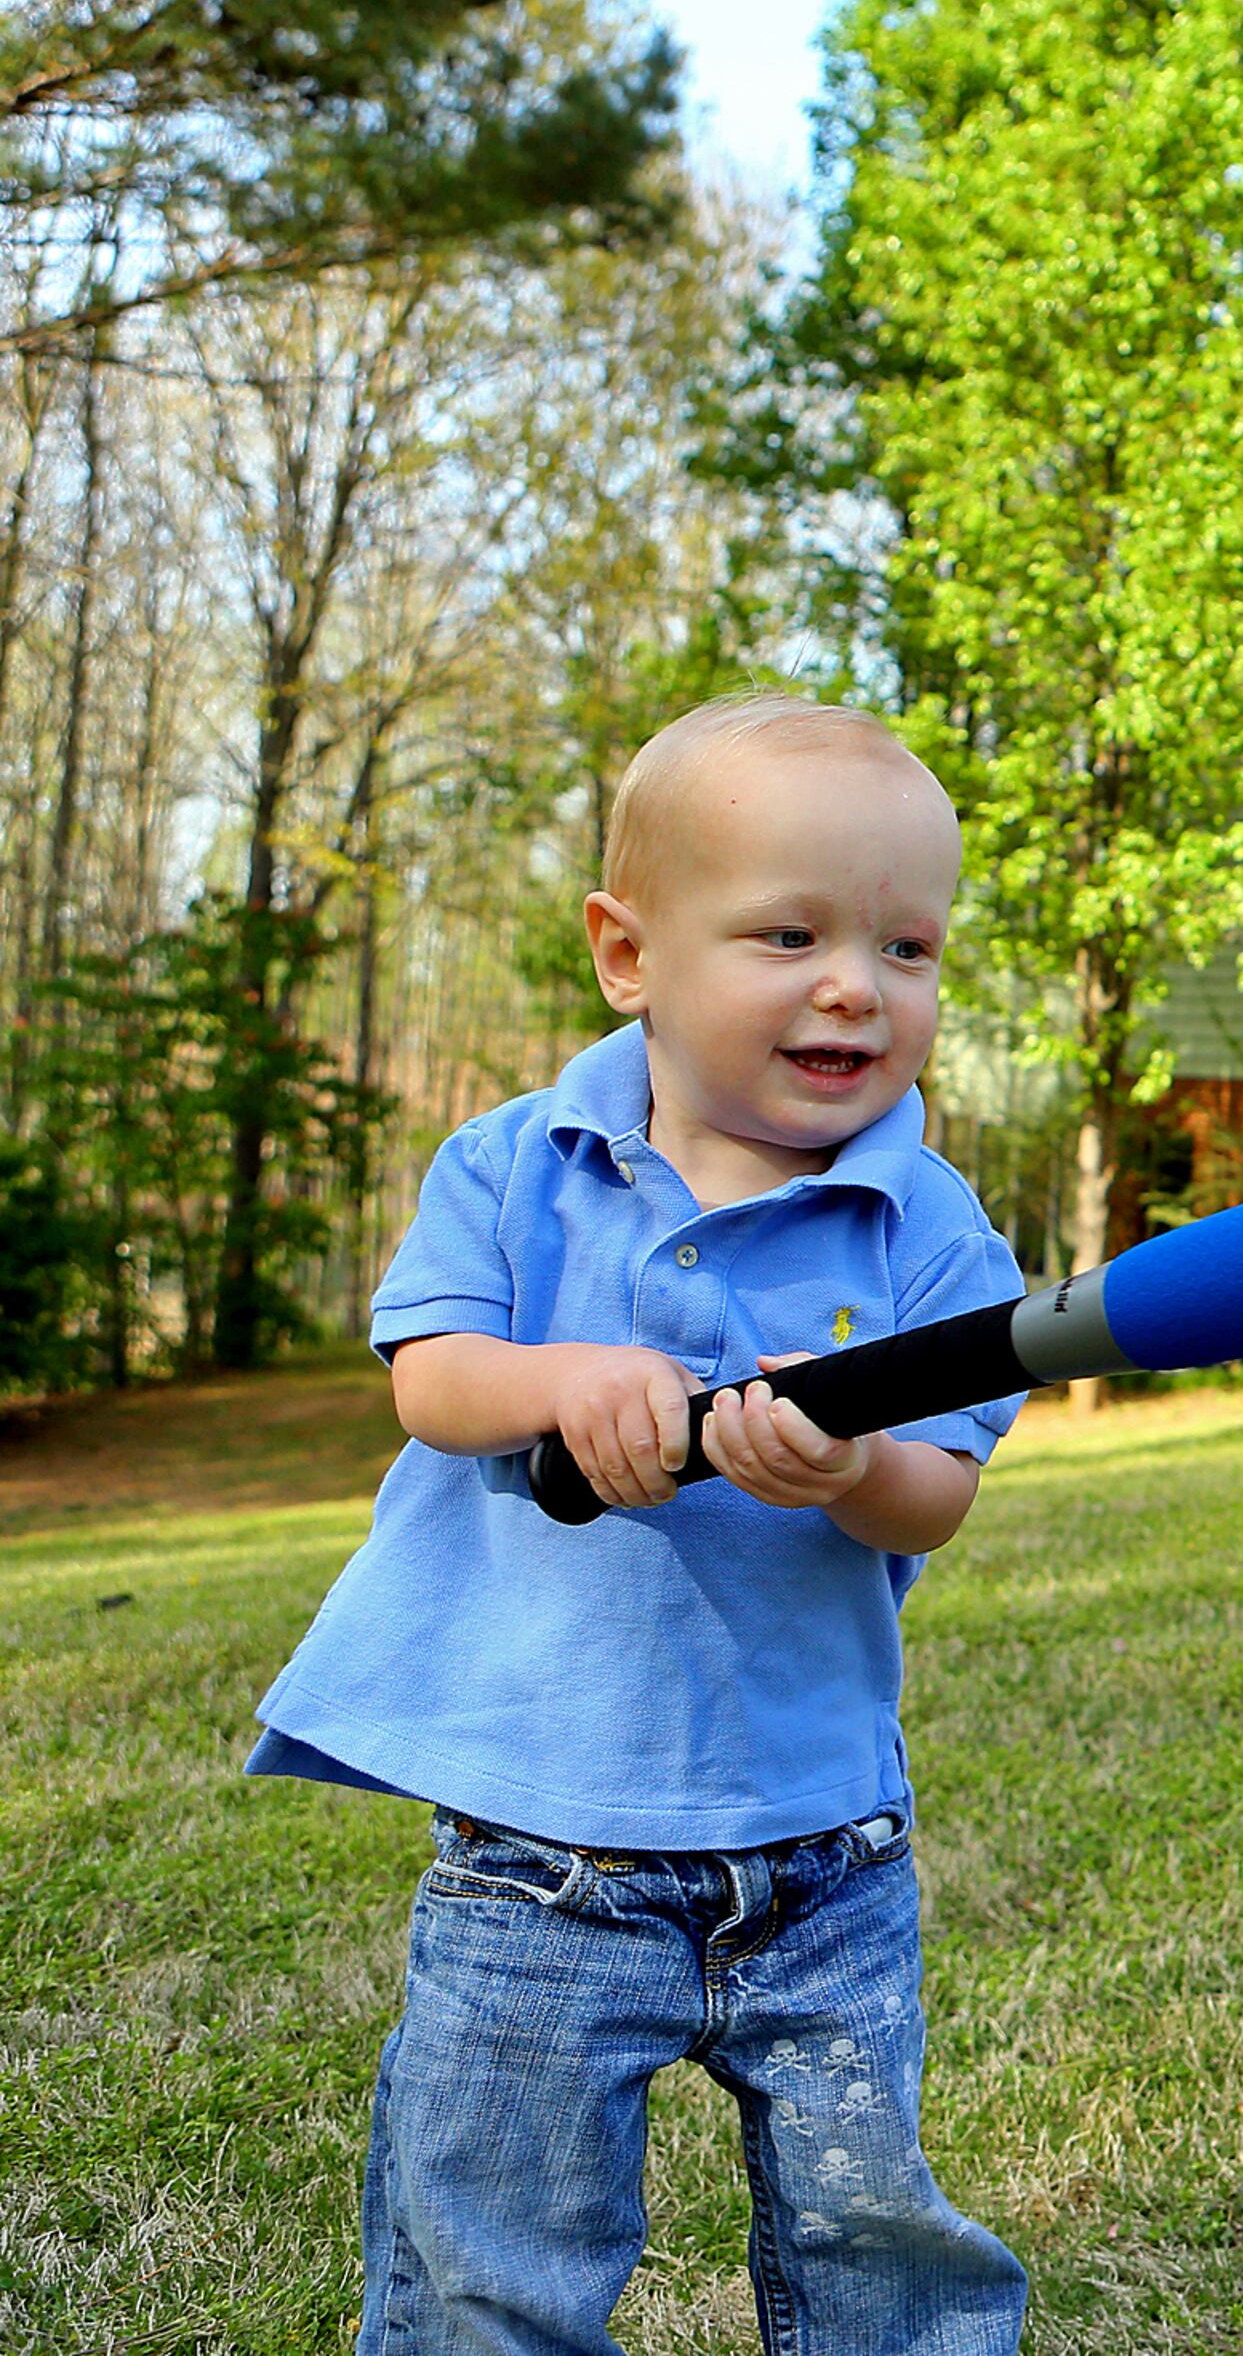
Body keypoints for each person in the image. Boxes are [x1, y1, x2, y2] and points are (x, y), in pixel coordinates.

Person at [246, 695, 1034, 2347]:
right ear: (630, 954)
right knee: (493, 2244)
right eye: (790, 933)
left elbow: (938, 1493)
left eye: (909, 946)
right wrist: (558, 1380)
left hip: (824, 1848)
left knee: (872, 2237)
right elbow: (433, 1375)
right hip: (539, 1849)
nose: (857, 986)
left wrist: (850, 1472)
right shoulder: (516, 1167)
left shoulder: (932, 1225)